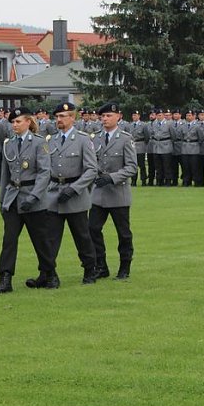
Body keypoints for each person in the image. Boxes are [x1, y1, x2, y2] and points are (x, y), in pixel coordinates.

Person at [0, 107, 54, 294]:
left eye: (18, 121)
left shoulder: (39, 142)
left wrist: (34, 196)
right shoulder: (8, 143)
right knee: (9, 241)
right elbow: (5, 174)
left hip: (33, 198)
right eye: (12, 122)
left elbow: (44, 172)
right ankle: (5, 279)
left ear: (28, 122)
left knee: (40, 240)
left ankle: (50, 274)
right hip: (13, 198)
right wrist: (2, 201)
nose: (14, 125)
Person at [40, 102, 98, 287]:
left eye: (62, 116)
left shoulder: (83, 139)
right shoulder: (50, 140)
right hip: (54, 194)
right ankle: (48, 274)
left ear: (72, 118)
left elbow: (91, 169)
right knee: (50, 238)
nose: (59, 120)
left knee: (82, 236)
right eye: (57, 117)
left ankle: (90, 270)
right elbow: (45, 168)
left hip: (75, 195)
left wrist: (74, 189)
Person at [90, 103, 138, 280]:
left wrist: (112, 177)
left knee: (123, 233)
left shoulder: (125, 139)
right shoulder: (95, 138)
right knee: (92, 229)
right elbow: (91, 162)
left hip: (118, 193)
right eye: (103, 116)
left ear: (119, 116)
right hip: (99, 193)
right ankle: (101, 266)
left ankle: (125, 267)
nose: (105, 119)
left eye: (109, 115)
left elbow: (132, 167)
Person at [128, 110, 149, 186]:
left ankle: (143, 180)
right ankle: (133, 181)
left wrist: (144, 144)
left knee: (142, 165)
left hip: (141, 145)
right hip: (132, 146)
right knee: (133, 165)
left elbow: (147, 136)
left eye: (136, 115)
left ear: (139, 116)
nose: (134, 117)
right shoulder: (130, 125)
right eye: (133, 115)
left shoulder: (143, 125)